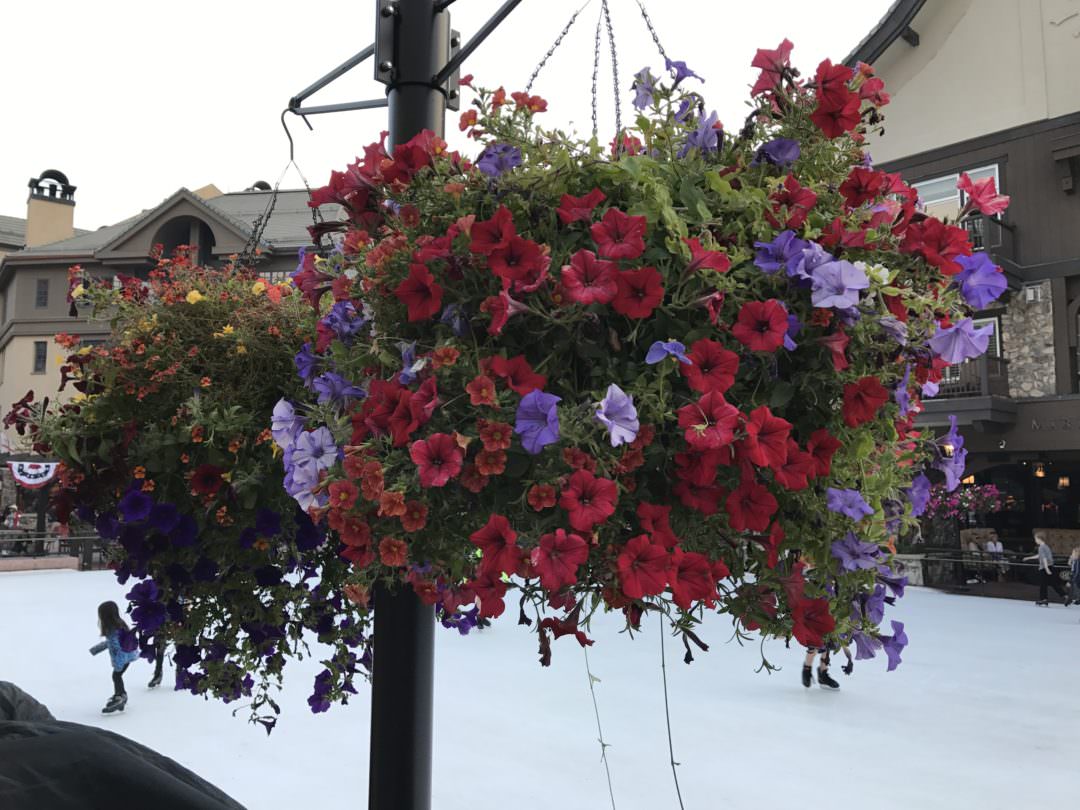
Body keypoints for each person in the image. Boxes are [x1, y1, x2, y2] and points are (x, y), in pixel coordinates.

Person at [89, 601, 139, 714]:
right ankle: (121, 695)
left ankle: (120, 696)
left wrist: (118, 663)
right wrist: (96, 649)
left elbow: (117, 648)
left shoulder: (113, 630)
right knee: (117, 676)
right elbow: (111, 643)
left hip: (123, 658)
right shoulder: (119, 625)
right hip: (128, 656)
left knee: (116, 676)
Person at [1023, 532, 1070, 607]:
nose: (1035, 540)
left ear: (1039, 539)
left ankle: (1044, 599)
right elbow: (1040, 556)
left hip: (1045, 568)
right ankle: (1064, 596)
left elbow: (1044, 558)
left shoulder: (1041, 547)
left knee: (1043, 584)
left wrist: (1046, 568)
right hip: (1050, 566)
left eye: (1036, 539)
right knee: (1053, 583)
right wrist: (1028, 558)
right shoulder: (1046, 546)